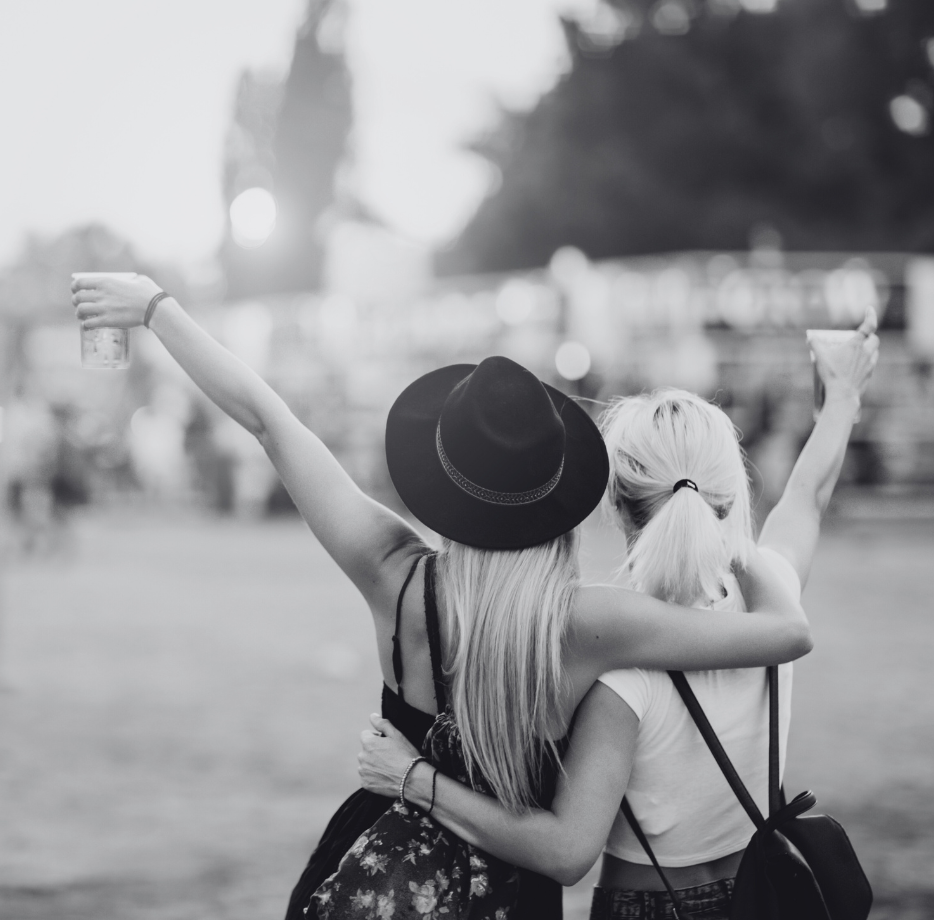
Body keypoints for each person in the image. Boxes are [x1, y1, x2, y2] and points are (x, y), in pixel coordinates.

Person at [70, 273, 811, 920]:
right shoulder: (592, 623)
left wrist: (157, 307)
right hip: (512, 893)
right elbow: (786, 633)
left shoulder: (391, 572)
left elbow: (269, 420)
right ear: (560, 496)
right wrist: (720, 520)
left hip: (376, 872)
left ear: (442, 481)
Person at [356, 315, 879, 919]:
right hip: (764, 895)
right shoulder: (771, 600)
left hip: (648, 904)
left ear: (616, 503)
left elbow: (565, 849)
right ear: (730, 492)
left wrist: (414, 776)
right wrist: (842, 396)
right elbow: (807, 498)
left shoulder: (616, 662)